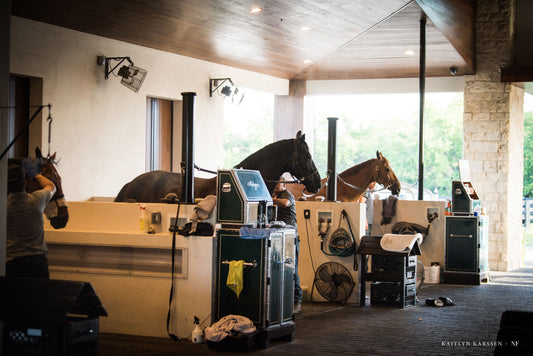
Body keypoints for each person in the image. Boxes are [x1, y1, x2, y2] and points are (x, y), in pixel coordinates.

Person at [6, 159, 56, 278]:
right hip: (37, 263)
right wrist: (36, 174)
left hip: (12, 264)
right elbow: (51, 186)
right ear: (25, 183)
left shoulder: (4, 208)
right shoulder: (37, 200)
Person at [272, 176, 302, 313]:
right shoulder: (275, 195)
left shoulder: (287, 195)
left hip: (291, 237)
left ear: (283, 184)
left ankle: (297, 301)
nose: (276, 185)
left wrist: (269, 200)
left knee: (292, 268)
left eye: (277, 182)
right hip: (279, 237)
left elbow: (285, 203)